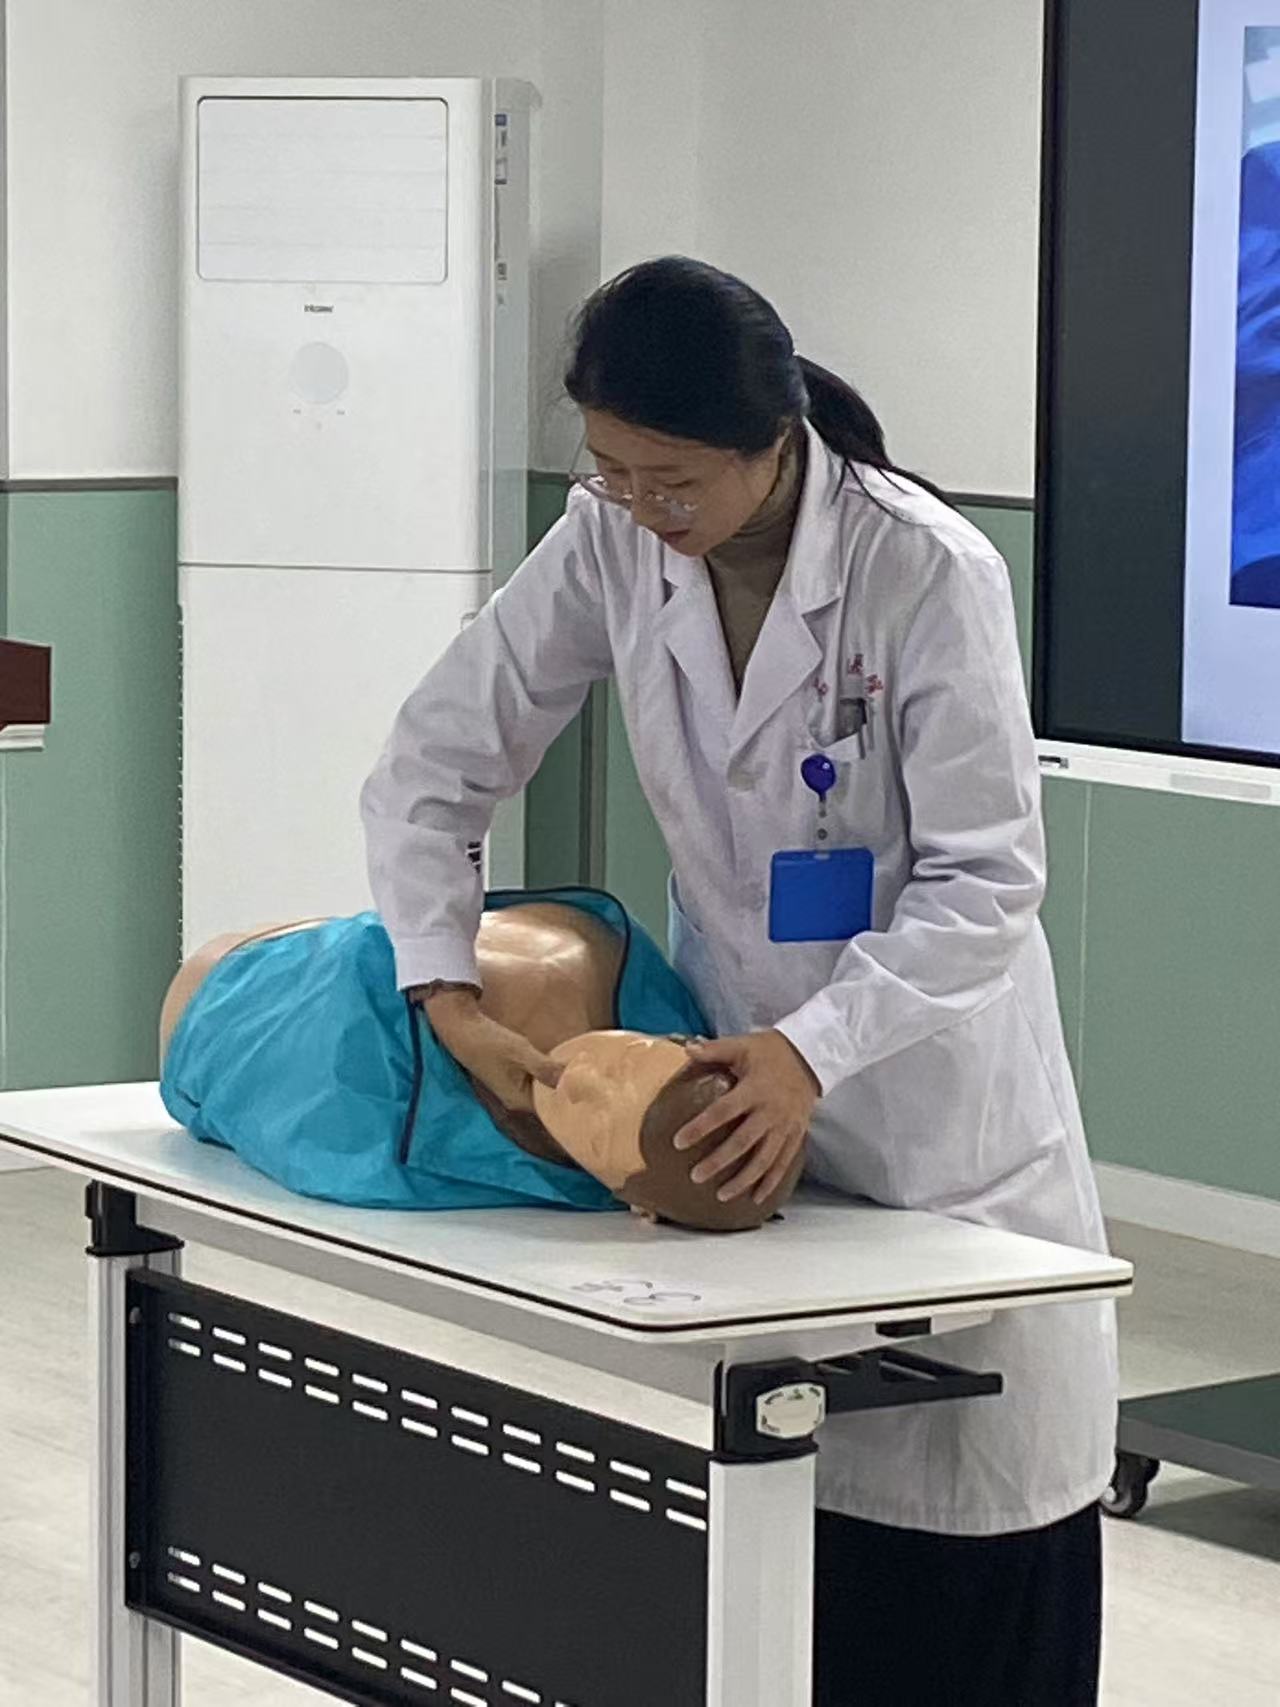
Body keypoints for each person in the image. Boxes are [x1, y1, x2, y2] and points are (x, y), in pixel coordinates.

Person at [361, 257, 1118, 1705]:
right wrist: (445, 990)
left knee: (967, 1527)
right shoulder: (608, 538)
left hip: (937, 1122)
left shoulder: (924, 568)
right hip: (738, 1122)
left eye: (674, 480)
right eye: (612, 470)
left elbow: (987, 881)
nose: (643, 507)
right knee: (787, 1546)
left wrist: (811, 1050)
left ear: (774, 440)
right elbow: (433, 761)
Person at [157, 894, 799, 1230]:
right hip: (278, 963)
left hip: (208, 1012)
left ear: (629, 1202)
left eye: (602, 1127)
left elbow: (291, 1114)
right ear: (681, 1041)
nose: (581, 1077)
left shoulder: (381, 1150)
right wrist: (449, 1003)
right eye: (630, 1061)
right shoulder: (605, 967)